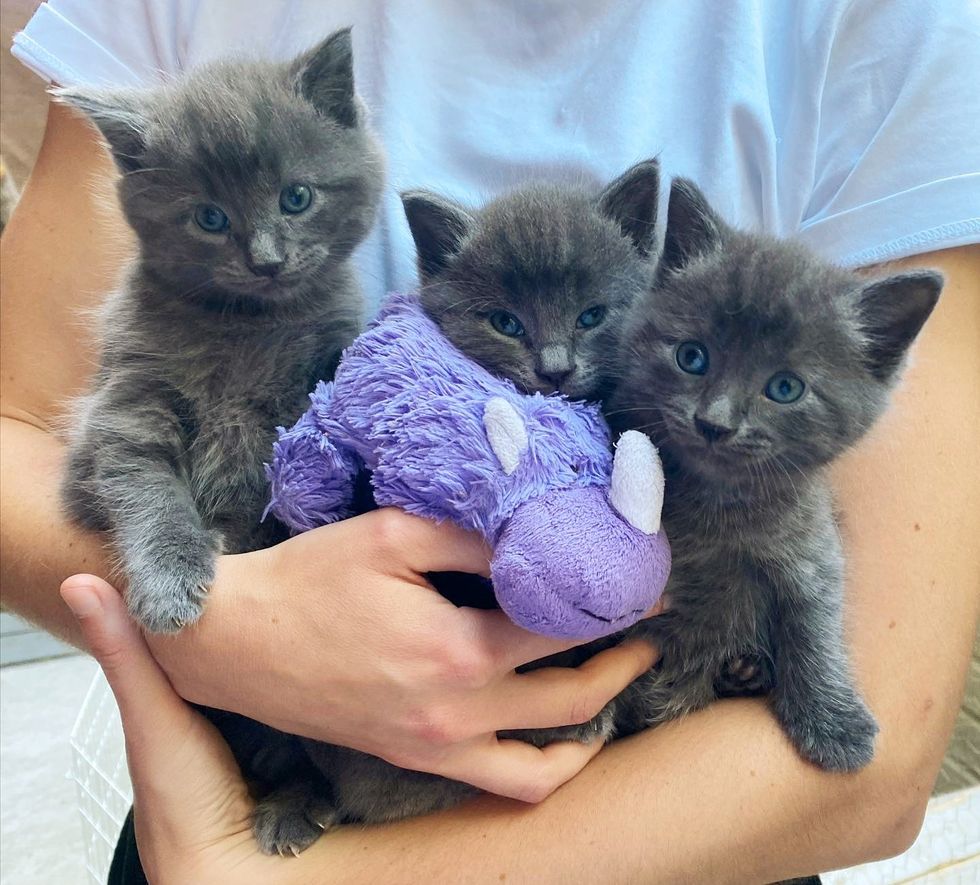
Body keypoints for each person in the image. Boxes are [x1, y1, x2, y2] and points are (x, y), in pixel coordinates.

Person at [2, 0, 978, 881]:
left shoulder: (898, 27)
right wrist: (231, 620)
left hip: (671, 837)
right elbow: (15, 428)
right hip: (257, 778)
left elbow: (869, 759)